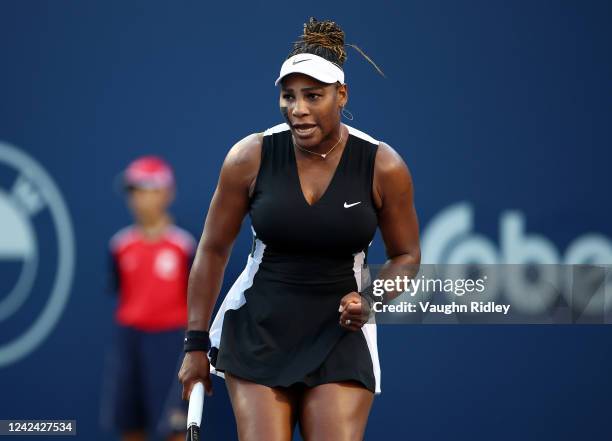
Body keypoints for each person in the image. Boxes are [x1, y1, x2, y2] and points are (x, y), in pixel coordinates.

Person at [179, 18, 420, 441]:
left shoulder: (383, 165)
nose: (298, 109)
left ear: (341, 95)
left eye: (313, 96)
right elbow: (213, 250)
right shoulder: (249, 157)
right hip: (258, 328)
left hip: (339, 335)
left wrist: (369, 297)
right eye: (288, 96)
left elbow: (407, 257)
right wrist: (195, 343)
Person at [101, 156, 196, 441]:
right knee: (130, 423)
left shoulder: (184, 246)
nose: (138, 199)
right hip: (130, 340)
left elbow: (195, 299)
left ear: (166, 193)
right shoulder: (119, 245)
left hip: (171, 342)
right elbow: (120, 289)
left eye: (145, 189)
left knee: (175, 425)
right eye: (133, 191)